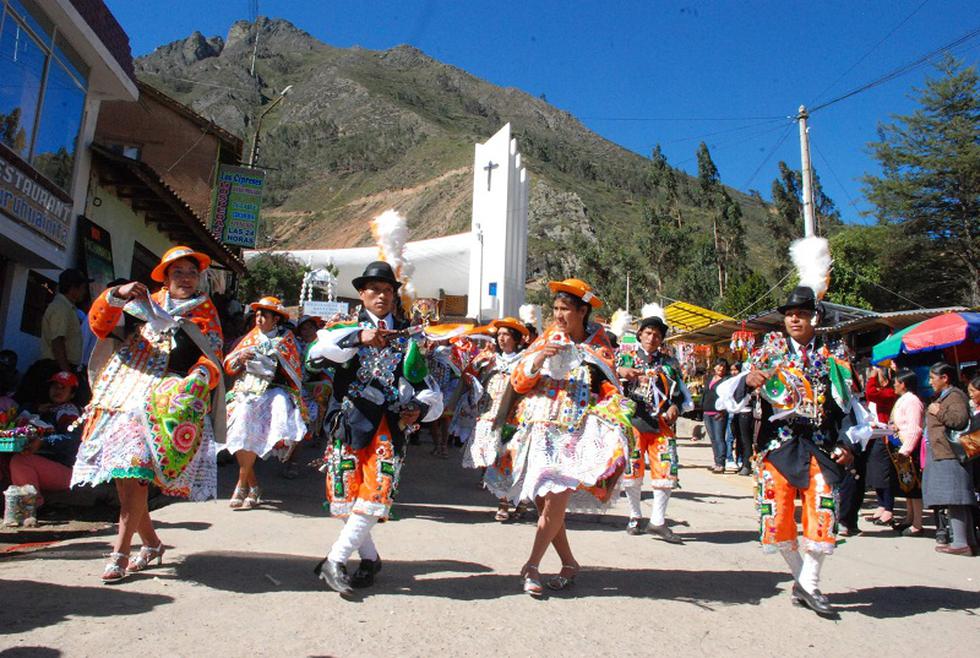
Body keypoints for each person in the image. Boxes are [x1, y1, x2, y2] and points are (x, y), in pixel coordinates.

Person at [71, 246, 225, 582]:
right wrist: (116, 293)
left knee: (136, 466)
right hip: (123, 391)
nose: (185, 278)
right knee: (124, 475)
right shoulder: (144, 303)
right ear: (166, 277)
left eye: (191, 272)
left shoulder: (204, 312)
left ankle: (120, 552)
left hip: (164, 399)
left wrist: (199, 377)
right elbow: (101, 326)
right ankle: (152, 544)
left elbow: (212, 356)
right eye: (178, 272)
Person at [717, 285, 860, 617]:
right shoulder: (768, 351)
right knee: (778, 517)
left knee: (824, 511)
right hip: (777, 444)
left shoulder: (833, 353)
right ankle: (804, 582)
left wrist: (847, 442)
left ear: (815, 317)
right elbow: (734, 393)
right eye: (790, 315)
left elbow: (848, 403)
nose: (795, 319)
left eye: (802, 314)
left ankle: (809, 583)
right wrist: (749, 380)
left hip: (821, 445)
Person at [484, 278, 633, 596]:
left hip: (575, 437)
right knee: (544, 503)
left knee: (553, 502)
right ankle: (569, 563)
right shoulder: (547, 338)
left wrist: (615, 415)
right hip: (540, 432)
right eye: (555, 308)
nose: (558, 315)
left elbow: (609, 389)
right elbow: (519, 382)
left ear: (582, 311)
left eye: (565, 309)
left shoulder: (599, 345)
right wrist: (537, 360)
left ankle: (531, 566)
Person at [307, 261, 442, 596]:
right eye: (374, 290)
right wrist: (358, 337)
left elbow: (427, 385)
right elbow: (314, 357)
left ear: (394, 297)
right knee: (345, 497)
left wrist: (420, 407)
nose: (381, 296)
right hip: (348, 422)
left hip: (389, 426)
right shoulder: (343, 327)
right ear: (361, 294)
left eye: (387, 291)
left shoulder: (409, 336)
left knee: (376, 492)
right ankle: (369, 559)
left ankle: (334, 561)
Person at [223, 297, 308, 508]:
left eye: (264, 315)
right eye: (257, 315)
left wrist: (274, 360)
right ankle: (251, 485)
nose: (259, 319)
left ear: (275, 319)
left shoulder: (286, 340)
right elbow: (229, 364)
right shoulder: (250, 337)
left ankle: (242, 485)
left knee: (249, 435)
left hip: (273, 394)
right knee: (238, 434)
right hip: (245, 391)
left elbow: (294, 370)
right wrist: (241, 360)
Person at [616, 308, 685, 543]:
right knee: (633, 470)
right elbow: (606, 379)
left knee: (665, 469)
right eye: (648, 333)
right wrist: (621, 372)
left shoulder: (670, 362)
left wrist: (676, 406)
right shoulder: (624, 357)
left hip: (661, 423)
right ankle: (634, 516)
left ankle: (657, 521)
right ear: (640, 335)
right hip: (632, 420)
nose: (652, 338)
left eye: (657, 334)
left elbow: (679, 392)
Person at [460, 317, 528, 521]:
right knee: (494, 457)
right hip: (489, 414)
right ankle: (508, 501)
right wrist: (476, 366)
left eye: (506, 335)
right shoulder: (490, 359)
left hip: (514, 416)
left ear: (516, 339)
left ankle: (510, 501)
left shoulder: (525, 360)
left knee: (509, 459)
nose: (501, 339)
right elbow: (468, 376)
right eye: (499, 335)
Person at [9, 371, 82, 520]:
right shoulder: (41, 409)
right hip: (44, 467)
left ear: (72, 394)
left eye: (63, 388)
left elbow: (72, 440)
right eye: (55, 386)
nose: (57, 390)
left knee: (20, 461)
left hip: (67, 471)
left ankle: (30, 509)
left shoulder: (69, 412)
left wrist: (43, 441)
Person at [922, 362, 976, 556]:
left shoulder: (955, 396)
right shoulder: (946, 396)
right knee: (953, 498)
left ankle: (961, 543)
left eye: (932, 377)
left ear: (945, 378)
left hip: (950, 453)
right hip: (943, 453)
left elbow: (959, 421)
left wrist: (939, 411)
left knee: (956, 498)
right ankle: (966, 540)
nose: (930, 382)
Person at [889, 368, 925, 536]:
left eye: (895, 382)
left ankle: (918, 523)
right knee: (907, 485)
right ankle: (909, 518)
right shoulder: (903, 400)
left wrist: (906, 450)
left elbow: (914, 428)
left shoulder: (912, 401)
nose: (894, 385)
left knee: (914, 486)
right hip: (901, 448)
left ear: (903, 383)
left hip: (909, 448)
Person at [864, 366, 899, 526]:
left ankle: (888, 507)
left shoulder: (890, 391)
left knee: (885, 472)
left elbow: (871, 393)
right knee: (875, 471)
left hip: (885, 435)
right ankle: (881, 504)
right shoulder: (879, 391)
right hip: (873, 434)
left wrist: (873, 377)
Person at [701, 358, 729, 473]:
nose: (720, 368)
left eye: (723, 367)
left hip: (719, 413)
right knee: (713, 439)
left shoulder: (727, 380)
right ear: (714, 366)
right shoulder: (709, 379)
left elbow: (728, 397)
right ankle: (716, 461)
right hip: (707, 412)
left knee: (719, 438)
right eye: (719, 366)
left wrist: (724, 411)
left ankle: (721, 463)